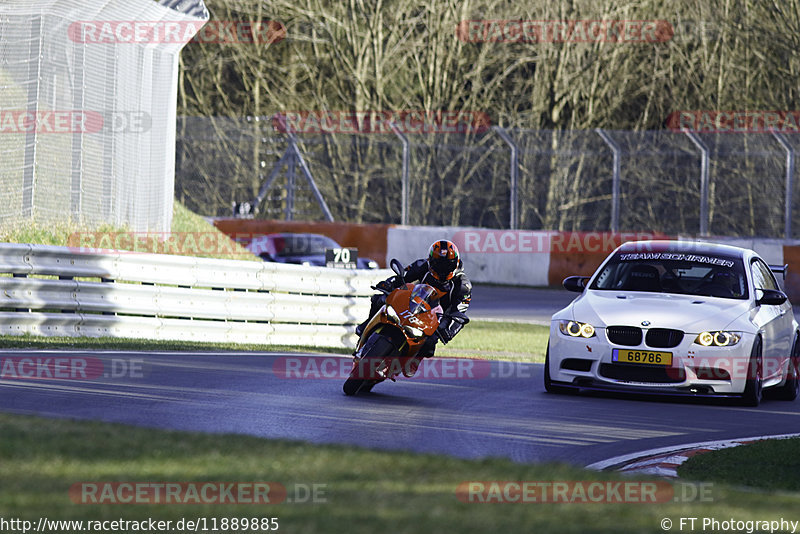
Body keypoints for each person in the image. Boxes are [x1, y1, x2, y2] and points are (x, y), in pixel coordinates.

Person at [355, 240, 472, 375]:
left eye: (446, 265)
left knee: (430, 342)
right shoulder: (422, 265)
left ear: (455, 264)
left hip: (436, 317)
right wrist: (388, 284)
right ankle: (365, 327)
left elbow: (460, 312)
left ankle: (415, 360)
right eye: (437, 264)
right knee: (379, 300)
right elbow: (402, 277)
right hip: (414, 303)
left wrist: (449, 330)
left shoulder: (463, 285)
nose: (441, 269)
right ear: (431, 261)